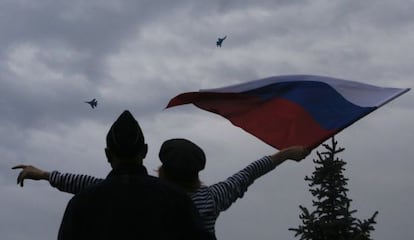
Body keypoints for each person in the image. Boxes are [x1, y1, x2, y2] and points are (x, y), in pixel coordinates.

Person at [13, 139, 309, 238]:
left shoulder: (147, 195)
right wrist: (283, 154)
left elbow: (90, 185)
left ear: (162, 168)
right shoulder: (211, 198)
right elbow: (247, 174)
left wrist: (45, 175)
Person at [37, 110, 211, 240]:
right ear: (144, 151)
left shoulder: (81, 203)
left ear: (107, 154)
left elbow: (86, 184)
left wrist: (46, 175)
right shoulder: (177, 200)